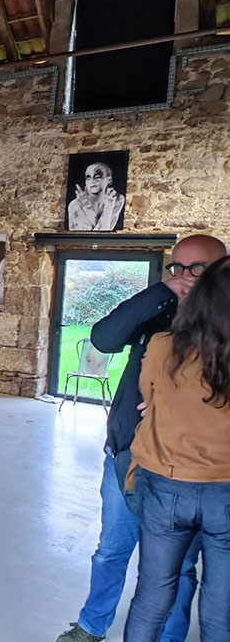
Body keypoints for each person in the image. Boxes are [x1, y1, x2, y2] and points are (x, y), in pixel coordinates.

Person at [55, 234, 227, 642]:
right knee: (111, 548)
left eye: (197, 268)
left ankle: (170, 636)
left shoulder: (223, 325)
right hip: (127, 451)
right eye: (176, 267)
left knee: (178, 568)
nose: (184, 277)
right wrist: (160, 293)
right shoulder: (157, 312)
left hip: (184, 471)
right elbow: (103, 338)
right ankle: (92, 624)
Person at [123, 255, 230, 641]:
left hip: (166, 482)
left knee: (153, 594)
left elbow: (148, 398)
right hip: (226, 489)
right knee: (221, 607)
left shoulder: (163, 346)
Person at [67, 162, 126, 231]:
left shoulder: (118, 199)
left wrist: (108, 206)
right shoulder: (75, 205)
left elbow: (103, 232)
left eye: (97, 177)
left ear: (109, 179)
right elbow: (96, 235)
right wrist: (86, 205)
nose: (92, 181)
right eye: (88, 178)